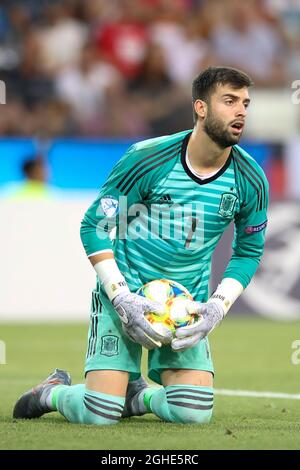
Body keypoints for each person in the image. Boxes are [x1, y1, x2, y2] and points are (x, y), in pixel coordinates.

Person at [13, 67, 269, 425]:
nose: (241, 111)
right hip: (127, 295)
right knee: (99, 414)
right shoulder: (148, 158)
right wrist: (119, 296)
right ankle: (52, 391)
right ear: (200, 107)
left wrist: (216, 307)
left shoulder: (251, 179)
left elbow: (248, 250)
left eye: (245, 103)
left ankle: (138, 395)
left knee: (191, 415)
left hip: (185, 305)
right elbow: (94, 227)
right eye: (229, 101)